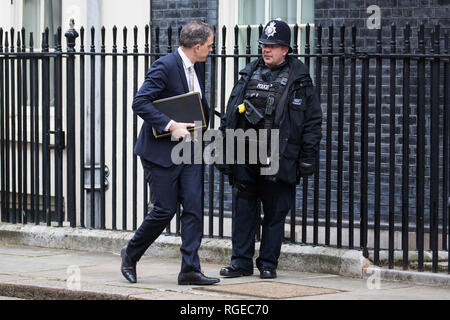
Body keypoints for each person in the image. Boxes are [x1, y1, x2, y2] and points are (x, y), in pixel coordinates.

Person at [217, 19, 322, 279]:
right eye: (264, 45)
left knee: (275, 214)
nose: (266, 50)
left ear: (285, 49)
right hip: (246, 154)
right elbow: (230, 113)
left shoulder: (300, 79)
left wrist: (307, 159)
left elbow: (312, 123)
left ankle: (267, 264)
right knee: (243, 212)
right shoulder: (249, 73)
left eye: (273, 46)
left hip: (280, 156)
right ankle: (240, 263)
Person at [120, 20, 220, 286]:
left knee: (194, 208)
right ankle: (130, 254)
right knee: (164, 210)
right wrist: (170, 125)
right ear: (197, 46)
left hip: (189, 150)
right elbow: (140, 102)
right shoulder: (165, 66)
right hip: (161, 153)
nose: (211, 50)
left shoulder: (194, 66)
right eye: (209, 46)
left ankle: (189, 269)